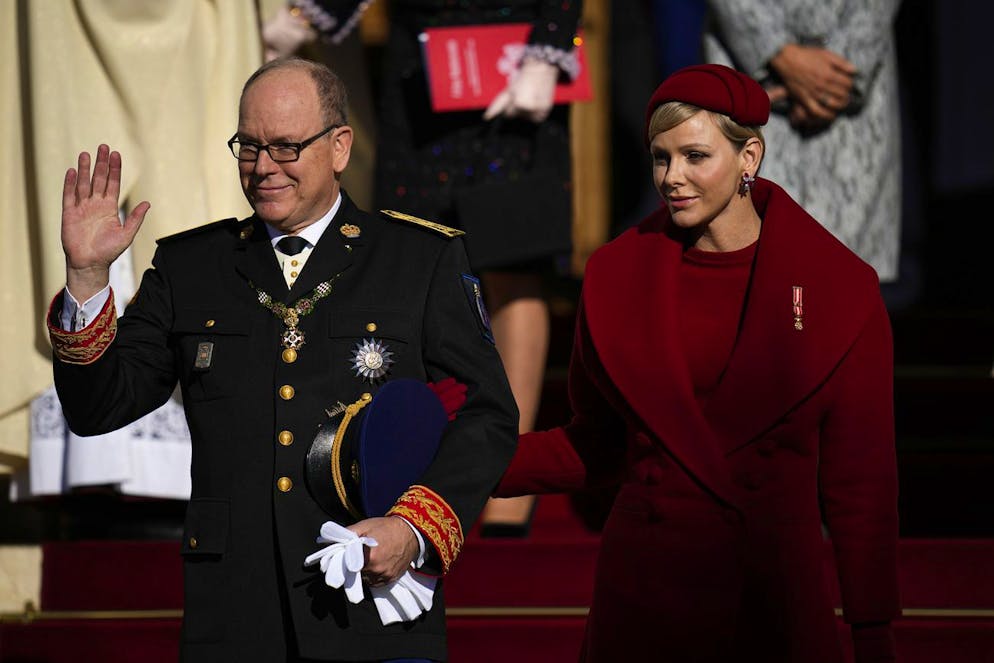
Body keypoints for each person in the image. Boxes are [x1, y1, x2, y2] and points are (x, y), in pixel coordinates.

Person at [48, 56, 518, 662]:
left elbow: (487, 415)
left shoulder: (418, 259)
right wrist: (87, 279)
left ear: (340, 146)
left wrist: (415, 527)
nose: (263, 167)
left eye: (287, 147)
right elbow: (97, 407)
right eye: (249, 146)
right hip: (236, 609)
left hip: (369, 603)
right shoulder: (192, 267)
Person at [494, 64, 900, 662]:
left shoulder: (841, 290)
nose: (672, 178)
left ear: (749, 157)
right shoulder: (613, 277)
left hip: (772, 602)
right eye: (661, 158)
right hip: (642, 596)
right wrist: (465, 459)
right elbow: (597, 445)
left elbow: (860, 481)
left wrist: (872, 631)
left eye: (695, 156)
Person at [276, 0, 584, 534]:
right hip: (421, 69)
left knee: (514, 265)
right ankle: (418, 470)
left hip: (516, 57)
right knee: (412, 267)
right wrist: (307, 17)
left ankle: (510, 480)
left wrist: (548, 47)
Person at [703, 0, 903, 283]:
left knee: (845, 297)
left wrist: (848, 60)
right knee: (748, 289)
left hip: (852, 104)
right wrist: (773, 48)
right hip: (744, 69)